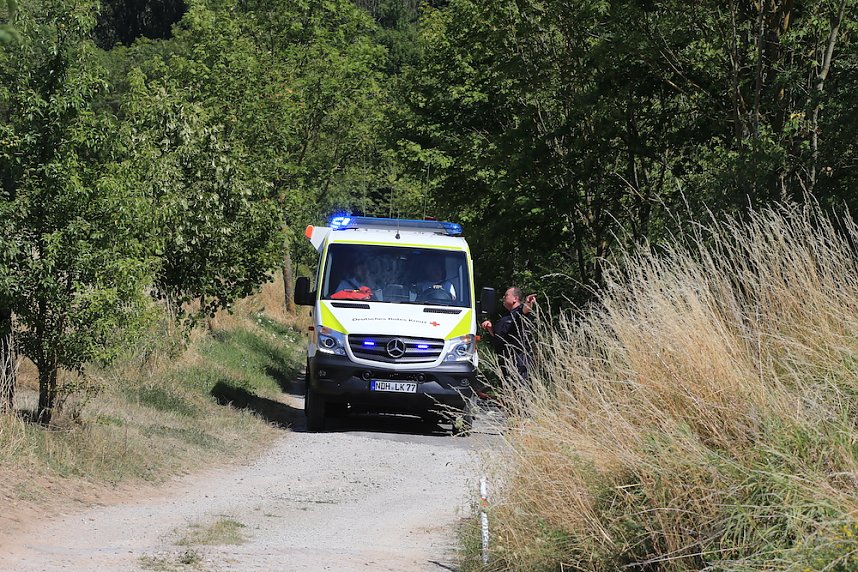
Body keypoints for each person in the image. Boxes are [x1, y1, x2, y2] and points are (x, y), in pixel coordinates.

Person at [481, 287, 536, 383]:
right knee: (508, 388)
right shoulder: (506, 316)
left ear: (515, 298)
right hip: (505, 360)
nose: (503, 297)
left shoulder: (519, 312)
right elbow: (500, 335)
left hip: (518, 359)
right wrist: (490, 328)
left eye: (506, 295)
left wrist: (528, 303)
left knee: (519, 388)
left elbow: (525, 310)